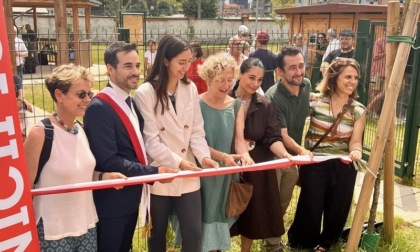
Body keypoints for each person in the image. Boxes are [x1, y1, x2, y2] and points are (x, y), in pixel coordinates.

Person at [84, 42, 178, 252]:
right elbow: (108, 160)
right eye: (128, 66)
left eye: (137, 65)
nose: (135, 72)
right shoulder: (100, 107)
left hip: (129, 197)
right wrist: (154, 172)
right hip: (110, 203)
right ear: (110, 69)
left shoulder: (130, 102)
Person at [24, 64, 127, 252]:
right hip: (53, 231)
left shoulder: (80, 130)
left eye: (90, 94)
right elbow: (24, 189)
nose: (87, 100)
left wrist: (105, 177)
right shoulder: (40, 134)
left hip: (86, 225)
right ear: (59, 95)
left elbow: (82, 174)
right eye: (81, 94)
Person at [134, 34, 219, 252]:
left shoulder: (190, 89)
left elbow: (197, 131)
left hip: (189, 170)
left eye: (189, 61)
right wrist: (178, 162)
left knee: (193, 232)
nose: (187, 68)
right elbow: (150, 141)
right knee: (157, 234)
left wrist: (204, 157)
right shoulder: (146, 93)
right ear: (165, 61)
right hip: (161, 171)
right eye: (181, 62)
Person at [288, 58, 366, 252]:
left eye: (356, 77)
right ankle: (301, 242)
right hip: (315, 162)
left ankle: (326, 244)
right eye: (348, 76)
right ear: (334, 77)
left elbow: (356, 141)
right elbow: (294, 122)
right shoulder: (315, 101)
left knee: (338, 206)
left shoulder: (358, 109)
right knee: (310, 204)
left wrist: (356, 150)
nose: (352, 81)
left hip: (343, 164)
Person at [229, 58, 292, 252]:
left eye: (260, 80)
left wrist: (284, 155)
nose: (255, 84)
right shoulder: (224, 99)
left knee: (253, 211)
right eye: (251, 78)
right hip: (228, 164)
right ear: (239, 74)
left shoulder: (265, 105)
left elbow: (273, 137)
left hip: (257, 165)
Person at [197, 53, 253, 252]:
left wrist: (246, 156)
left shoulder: (237, 105)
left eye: (230, 80)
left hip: (226, 173)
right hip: (203, 170)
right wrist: (220, 156)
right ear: (208, 79)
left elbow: (239, 140)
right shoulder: (196, 104)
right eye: (220, 80)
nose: (226, 84)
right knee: (201, 219)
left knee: (219, 216)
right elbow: (196, 142)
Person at [264, 46, 313, 252]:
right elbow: (282, 136)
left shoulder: (306, 85)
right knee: (273, 203)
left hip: (292, 158)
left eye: (301, 66)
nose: (299, 72)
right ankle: (272, 246)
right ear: (280, 72)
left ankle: (272, 240)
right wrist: (303, 151)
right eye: (292, 68)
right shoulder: (274, 96)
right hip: (274, 157)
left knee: (283, 203)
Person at [367, 28, 386, 116]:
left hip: (388, 71)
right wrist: (387, 52)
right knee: (375, 92)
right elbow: (375, 56)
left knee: (385, 91)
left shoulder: (395, 42)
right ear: (385, 31)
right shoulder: (380, 41)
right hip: (378, 70)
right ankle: (371, 112)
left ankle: (374, 110)